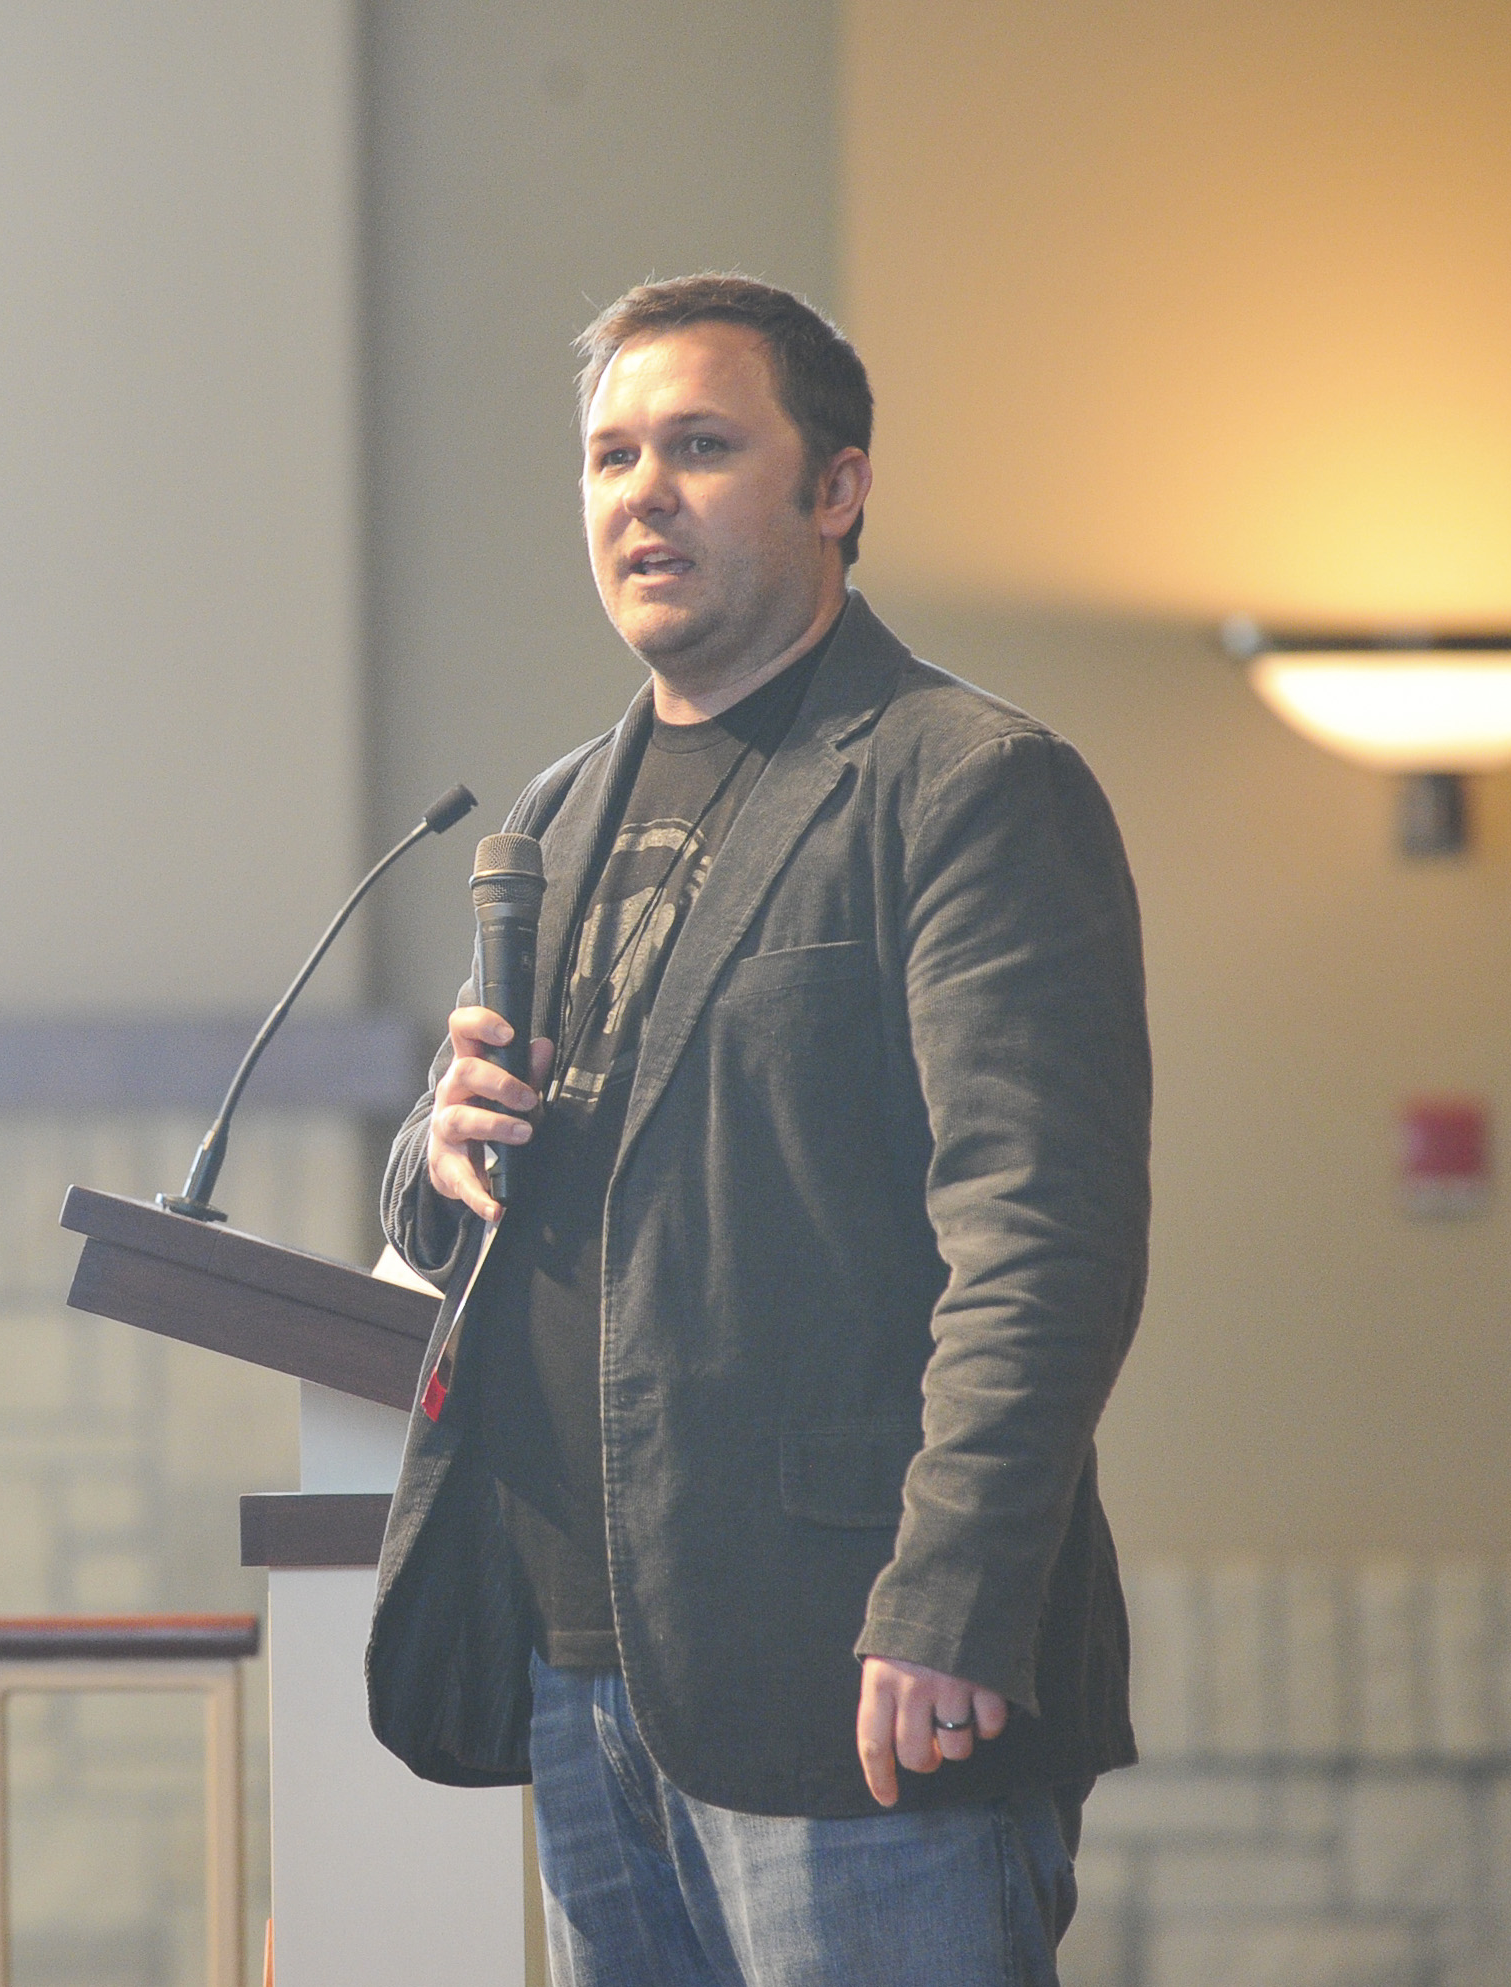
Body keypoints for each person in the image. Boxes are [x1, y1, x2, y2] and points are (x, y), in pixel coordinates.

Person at [367, 273, 1150, 1987]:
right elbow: (503, 1208)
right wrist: (440, 1150)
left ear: (836, 487)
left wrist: (949, 1598)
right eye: (610, 457)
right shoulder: (558, 814)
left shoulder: (960, 784)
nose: (640, 493)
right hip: (584, 1668)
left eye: (701, 448)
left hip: (856, 1666)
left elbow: (1043, 1239)